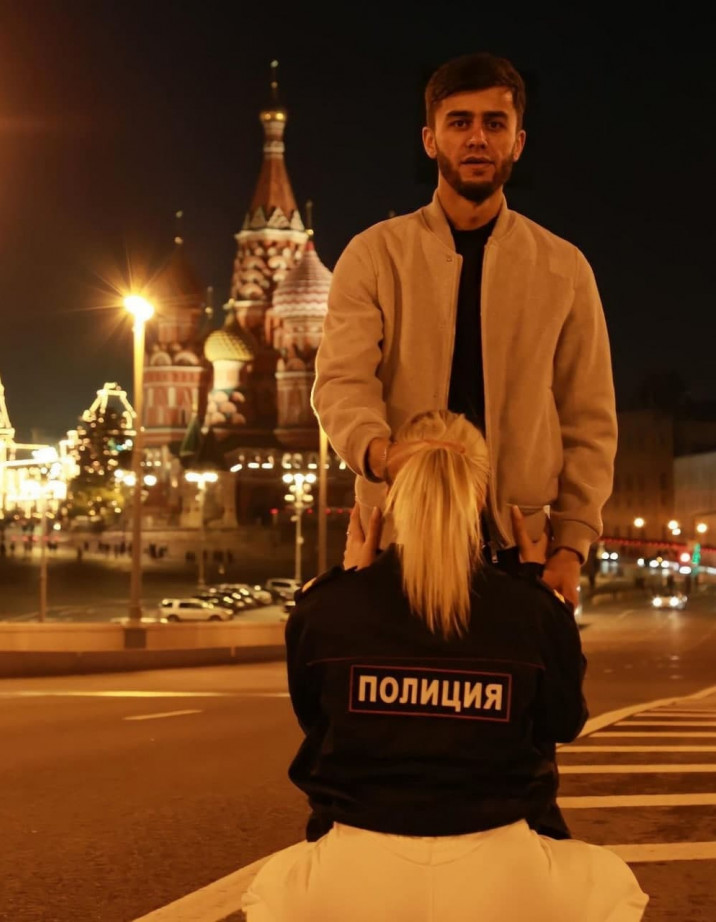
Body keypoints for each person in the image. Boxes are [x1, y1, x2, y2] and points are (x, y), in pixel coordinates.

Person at [242, 411, 646, 922]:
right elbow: (564, 722)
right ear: (480, 495)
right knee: (614, 888)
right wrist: (535, 591)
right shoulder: (532, 610)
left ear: (393, 493)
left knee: (269, 894)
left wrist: (350, 588)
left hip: (354, 875)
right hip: (503, 873)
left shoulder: (324, 608)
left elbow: (315, 720)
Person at [312, 52, 617, 607]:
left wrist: (572, 546)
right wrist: (383, 457)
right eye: (460, 122)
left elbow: (588, 417)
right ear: (430, 140)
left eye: (494, 124)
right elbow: (341, 383)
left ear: (518, 143)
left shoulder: (564, 268)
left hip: (520, 548)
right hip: (400, 536)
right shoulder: (374, 255)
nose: (477, 138)